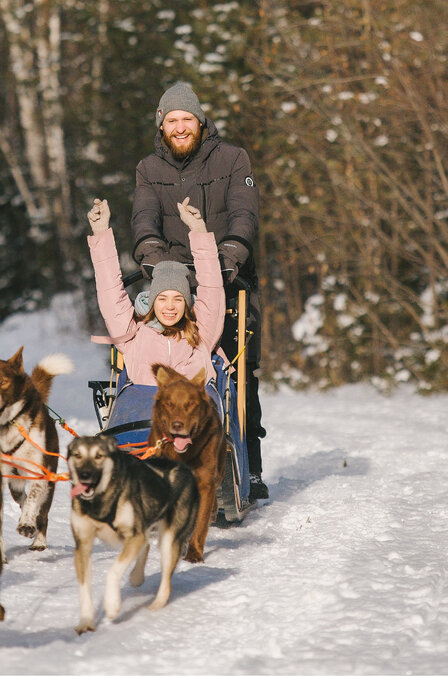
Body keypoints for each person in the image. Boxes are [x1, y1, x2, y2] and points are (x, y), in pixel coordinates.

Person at [129, 81, 269, 500]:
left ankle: (248, 466)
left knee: (237, 372)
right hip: (171, 282)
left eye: (187, 119)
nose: (180, 127)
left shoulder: (232, 159)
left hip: (228, 279)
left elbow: (245, 214)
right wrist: (152, 258)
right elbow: (143, 220)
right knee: (150, 364)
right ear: (161, 125)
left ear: (200, 122)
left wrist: (229, 254)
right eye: (172, 120)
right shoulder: (148, 170)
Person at [86, 197, 223, 388]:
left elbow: (212, 287)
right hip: (145, 413)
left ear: (186, 303)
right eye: (162, 298)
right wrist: (100, 232)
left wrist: (199, 230)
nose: (169, 306)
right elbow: (109, 290)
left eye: (178, 299)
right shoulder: (133, 336)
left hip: (192, 412)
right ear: (151, 301)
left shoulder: (201, 335)